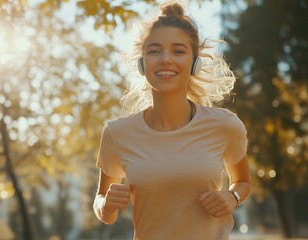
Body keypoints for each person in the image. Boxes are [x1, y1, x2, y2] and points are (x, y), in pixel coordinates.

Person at [92, 1, 251, 240]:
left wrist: (232, 197)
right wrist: (106, 205)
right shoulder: (117, 134)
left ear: (194, 63)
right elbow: (103, 207)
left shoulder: (225, 125)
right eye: (154, 50)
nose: (166, 59)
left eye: (178, 51)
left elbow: (243, 182)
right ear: (142, 63)